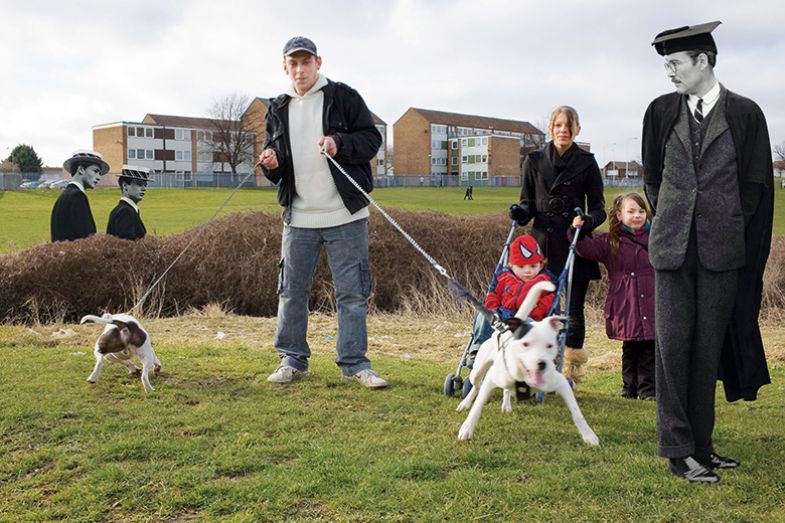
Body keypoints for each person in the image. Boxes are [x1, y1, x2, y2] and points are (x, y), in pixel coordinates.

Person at [643, 21, 774, 483]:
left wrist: (725, 221)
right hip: (672, 250)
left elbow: (756, 186)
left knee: (705, 351)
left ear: (703, 61)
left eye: (675, 64)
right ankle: (677, 450)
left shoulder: (746, 113)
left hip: (722, 252)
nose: (669, 73)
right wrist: (674, 219)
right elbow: (652, 180)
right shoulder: (660, 111)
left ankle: (702, 445)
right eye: (666, 65)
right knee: (673, 348)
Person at [258, 36, 387, 388]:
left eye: (306, 62)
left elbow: (371, 141)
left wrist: (338, 143)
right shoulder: (277, 107)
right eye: (293, 64)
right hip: (298, 218)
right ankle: (292, 359)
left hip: (345, 215)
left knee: (351, 293)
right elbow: (277, 163)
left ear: (318, 62)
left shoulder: (344, 97)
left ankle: (354, 364)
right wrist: (271, 163)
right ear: (285, 68)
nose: (300, 70)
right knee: (291, 291)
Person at [509, 106, 606, 387]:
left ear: (577, 129)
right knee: (542, 310)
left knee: (573, 311)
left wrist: (586, 220)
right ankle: (539, 369)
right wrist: (520, 212)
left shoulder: (588, 163)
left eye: (569, 125)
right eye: (558, 125)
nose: (563, 130)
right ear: (550, 129)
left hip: (574, 243)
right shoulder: (534, 160)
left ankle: (571, 372)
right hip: (543, 248)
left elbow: (599, 209)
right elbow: (527, 202)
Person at [570, 193, 655, 401]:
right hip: (625, 300)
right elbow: (586, 249)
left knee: (649, 346)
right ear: (619, 215)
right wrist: (577, 231)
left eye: (641, 211)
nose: (637, 215)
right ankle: (629, 387)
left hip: (651, 298)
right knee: (630, 345)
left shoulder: (655, 237)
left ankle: (647, 389)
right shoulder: (611, 241)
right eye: (631, 211)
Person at [467, 234, 555, 366]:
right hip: (502, 316)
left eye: (533, 266)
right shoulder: (504, 277)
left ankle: (523, 357)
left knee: (530, 328)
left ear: (541, 265)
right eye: (521, 267)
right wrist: (493, 311)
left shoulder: (544, 282)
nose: (528, 271)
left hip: (527, 320)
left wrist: (535, 311)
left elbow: (548, 303)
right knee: (483, 315)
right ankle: (478, 350)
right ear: (511, 265)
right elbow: (493, 296)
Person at [51, 150, 110, 242]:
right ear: (81, 169)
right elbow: (85, 237)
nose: (99, 177)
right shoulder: (77, 196)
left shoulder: (65, 195)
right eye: (95, 171)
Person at [107, 165, 150, 241]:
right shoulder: (125, 212)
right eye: (139, 184)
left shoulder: (124, 209)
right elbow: (127, 246)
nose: (144, 189)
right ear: (125, 186)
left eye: (145, 185)